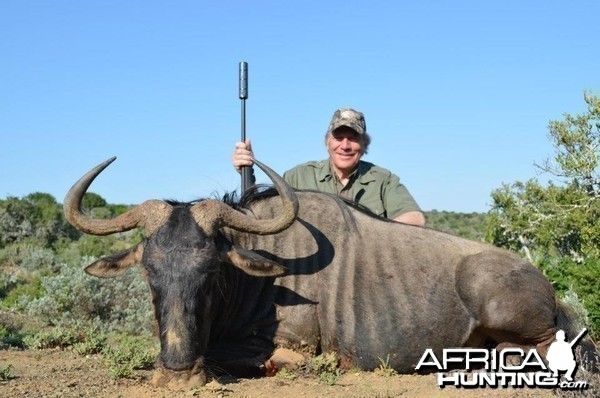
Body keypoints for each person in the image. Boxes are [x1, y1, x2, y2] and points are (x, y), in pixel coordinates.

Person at [232, 108, 425, 226]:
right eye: (338, 138)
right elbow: (264, 214)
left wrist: (361, 231)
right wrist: (247, 172)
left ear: (364, 145)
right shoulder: (298, 176)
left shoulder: (384, 180)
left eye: (353, 139)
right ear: (327, 143)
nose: (345, 145)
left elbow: (415, 219)